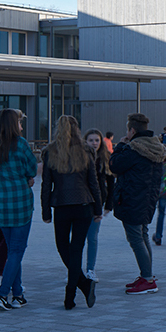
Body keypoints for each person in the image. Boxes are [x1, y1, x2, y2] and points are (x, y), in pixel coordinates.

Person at [41, 115, 101, 310]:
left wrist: (45, 211)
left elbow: (46, 184)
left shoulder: (51, 151)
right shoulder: (86, 150)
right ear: (77, 129)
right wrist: (98, 208)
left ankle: (75, 290)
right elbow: (93, 182)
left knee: (63, 247)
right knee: (76, 248)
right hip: (84, 204)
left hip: (61, 205)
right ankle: (76, 289)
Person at [0, 108, 38, 311]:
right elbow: (32, 168)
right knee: (16, 250)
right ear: (13, 124)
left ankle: (18, 295)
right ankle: (3, 294)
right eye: (19, 122)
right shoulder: (21, 144)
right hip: (21, 205)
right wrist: (25, 179)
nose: (21, 126)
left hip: (0, 208)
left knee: (13, 250)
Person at [110, 112, 166, 295]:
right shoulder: (156, 147)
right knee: (142, 235)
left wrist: (120, 145)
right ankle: (147, 275)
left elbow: (114, 165)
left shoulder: (133, 149)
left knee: (136, 239)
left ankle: (148, 279)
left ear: (132, 130)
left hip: (132, 199)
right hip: (148, 199)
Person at [83, 128, 113, 280]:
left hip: (97, 202)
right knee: (78, 237)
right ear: (85, 141)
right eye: (91, 140)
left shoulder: (105, 158)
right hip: (81, 202)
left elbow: (111, 183)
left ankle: (90, 269)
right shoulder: (80, 157)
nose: (94, 143)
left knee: (92, 237)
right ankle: (75, 269)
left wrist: (109, 204)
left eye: (96, 140)